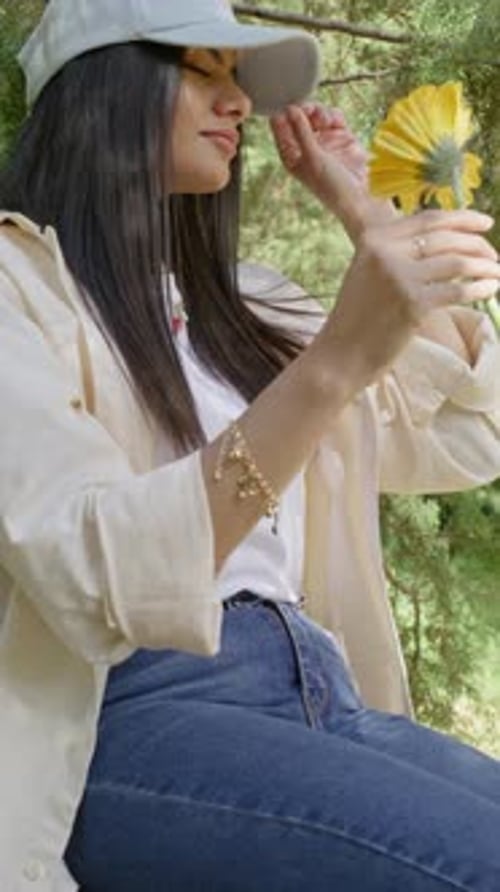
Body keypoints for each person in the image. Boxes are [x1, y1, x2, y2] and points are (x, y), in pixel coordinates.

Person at [1, 0, 500, 889]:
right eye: (203, 72)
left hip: (324, 696)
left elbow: (470, 436)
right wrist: (331, 367)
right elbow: (92, 569)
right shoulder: (17, 291)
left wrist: (367, 216)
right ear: (101, 90)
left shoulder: (250, 306)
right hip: (130, 714)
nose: (237, 103)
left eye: (238, 81)